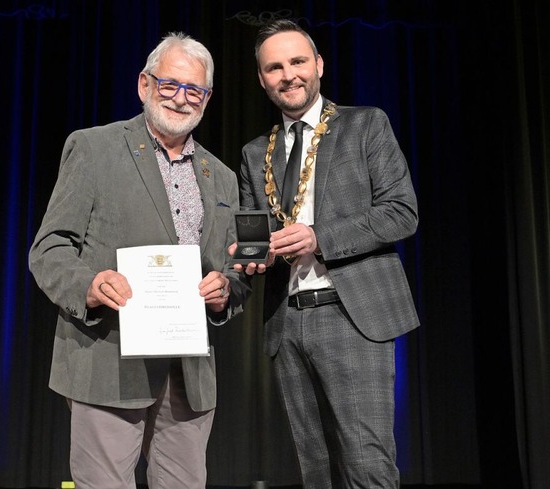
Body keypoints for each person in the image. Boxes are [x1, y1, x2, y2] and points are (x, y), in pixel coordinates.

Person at [29, 32, 250, 489]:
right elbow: (50, 248)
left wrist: (225, 289)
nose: (181, 99)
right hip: (108, 359)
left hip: (188, 370)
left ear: (207, 99)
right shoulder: (94, 149)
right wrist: (88, 286)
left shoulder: (222, 176)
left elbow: (233, 269)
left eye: (195, 90)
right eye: (170, 85)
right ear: (144, 85)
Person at [232, 19, 420, 488]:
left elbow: (401, 213)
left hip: (352, 314)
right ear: (261, 78)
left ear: (318, 64)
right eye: (274, 67)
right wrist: (247, 259)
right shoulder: (256, 153)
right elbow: (255, 236)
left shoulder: (365, 124)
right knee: (314, 470)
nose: (287, 74)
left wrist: (319, 237)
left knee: (366, 466)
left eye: (297, 61)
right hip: (288, 320)